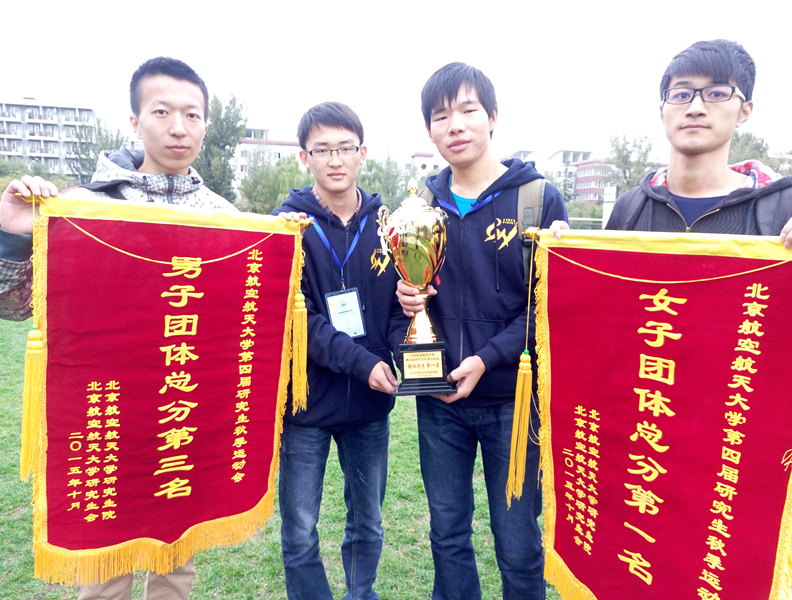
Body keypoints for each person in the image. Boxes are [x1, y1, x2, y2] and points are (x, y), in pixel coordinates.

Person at [0, 56, 238, 600]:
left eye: (192, 115)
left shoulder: (223, 218)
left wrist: (278, 245)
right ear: (134, 121)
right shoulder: (85, 208)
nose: (179, 127)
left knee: (175, 561)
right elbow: (10, 305)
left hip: (182, 411)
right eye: (162, 111)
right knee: (104, 566)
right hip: (106, 411)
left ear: (205, 124)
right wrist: (11, 234)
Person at [396, 62, 568, 600]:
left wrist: (487, 358)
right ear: (429, 130)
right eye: (440, 116)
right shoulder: (420, 206)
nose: (455, 125)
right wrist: (407, 298)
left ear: (492, 116)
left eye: (468, 110)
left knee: (517, 543)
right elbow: (408, 293)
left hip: (513, 402)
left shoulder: (536, 199)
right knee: (447, 535)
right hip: (439, 400)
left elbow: (547, 307)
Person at [271, 102, 405, 600]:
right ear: (304, 157)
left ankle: (361, 594)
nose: (335, 159)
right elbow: (298, 320)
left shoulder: (389, 224)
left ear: (362, 153)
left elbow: (400, 306)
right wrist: (362, 362)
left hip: (369, 406)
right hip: (305, 404)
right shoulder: (287, 226)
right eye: (322, 149)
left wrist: (405, 350)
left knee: (368, 521)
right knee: (300, 528)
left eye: (345, 148)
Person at [553, 39, 792, 242]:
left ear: (744, 112)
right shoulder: (630, 207)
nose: (695, 108)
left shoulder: (782, 207)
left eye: (716, 93)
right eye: (681, 94)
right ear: (662, 111)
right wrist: (566, 248)